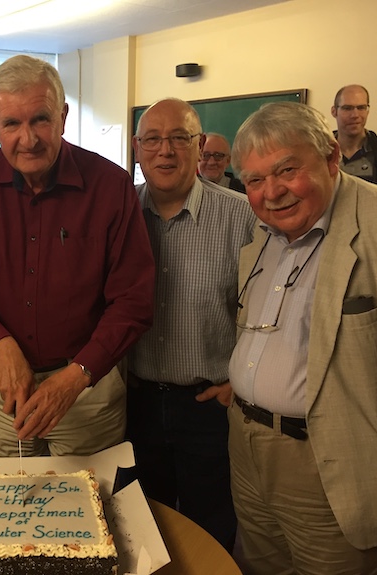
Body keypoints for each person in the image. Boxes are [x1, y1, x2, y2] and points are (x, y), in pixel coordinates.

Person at [229, 101, 377, 574]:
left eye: (287, 170)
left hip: (338, 462)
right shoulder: (260, 235)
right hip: (248, 452)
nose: (272, 192)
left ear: (332, 156)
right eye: (254, 180)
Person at [0, 54, 154, 459]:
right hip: (4, 386)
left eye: (40, 119)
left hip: (86, 390)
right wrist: (1, 346)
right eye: (11, 124)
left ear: (63, 115)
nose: (28, 139)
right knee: (4, 510)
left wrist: (78, 376)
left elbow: (133, 300)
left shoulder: (110, 186)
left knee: (85, 512)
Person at [126, 99, 255, 551]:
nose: (166, 151)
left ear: (199, 146)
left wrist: (242, 382)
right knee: (142, 529)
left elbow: (266, 312)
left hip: (208, 407)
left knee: (210, 529)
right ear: (138, 148)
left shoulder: (242, 217)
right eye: (153, 140)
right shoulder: (117, 215)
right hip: (134, 405)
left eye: (179, 138)